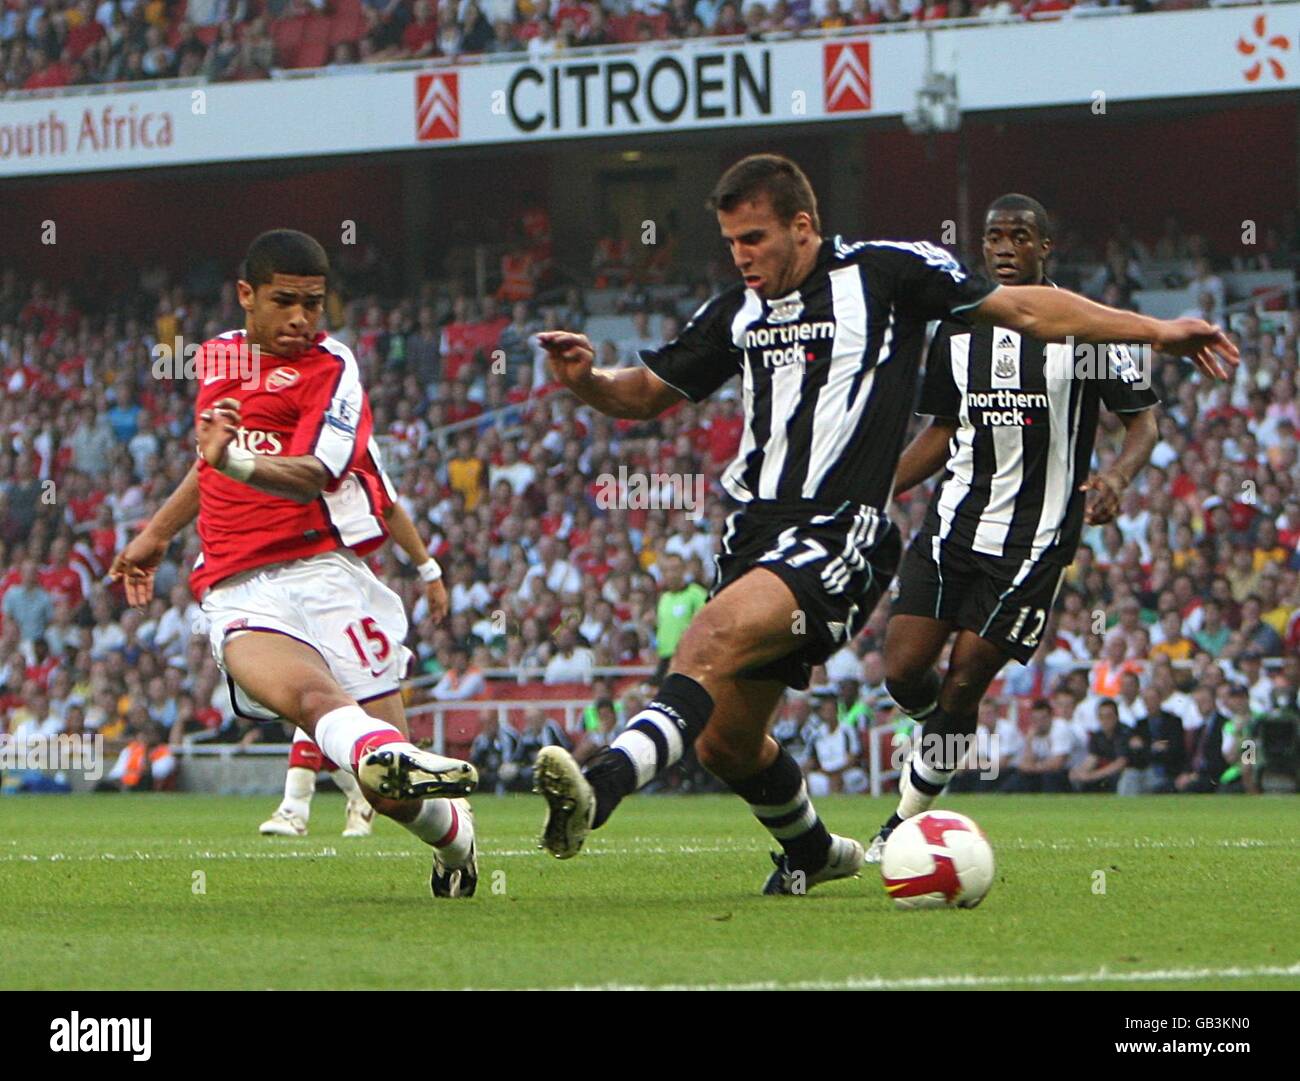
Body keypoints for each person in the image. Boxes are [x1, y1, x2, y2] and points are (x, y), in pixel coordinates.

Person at [529, 155, 1236, 895]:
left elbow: (1029, 312)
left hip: (842, 531)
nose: (742, 256)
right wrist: (588, 382)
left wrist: (1157, 331)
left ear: (803, 226)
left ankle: (601, 785)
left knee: (708, 638)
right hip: (752, 535)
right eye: (732, 241)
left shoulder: (890, 274)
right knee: (726, 742)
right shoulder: (736, 312)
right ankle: (813, 851)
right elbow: (645, 394)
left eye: (755, 238)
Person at [109, 230, 478, 898]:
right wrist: (156, 533)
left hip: (326, 574)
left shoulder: (332, 368)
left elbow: (313, 474)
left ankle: (455, 836)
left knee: (388, 793)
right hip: (237, 584)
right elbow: (209, 462)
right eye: (285, 301)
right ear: (246, 295)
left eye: (314, 303)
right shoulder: (217, 356)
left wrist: (235, 461)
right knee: (312, 701)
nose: (302, 319)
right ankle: (364, 764)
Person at [865, 194, 1162, 861]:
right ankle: (944, 737)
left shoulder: (1081, 329)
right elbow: (941, 432)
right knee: (903, 670)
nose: (1004, 247)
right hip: (951, 527)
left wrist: (1115, 478)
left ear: (1043, 247)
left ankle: (904, 819)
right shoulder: (959, 329)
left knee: (966, 677)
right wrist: (875, 489)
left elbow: (1143, 421)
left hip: (1034, 541)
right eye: (994, 236)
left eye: (1019, 236)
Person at [256, 497, 451, 839]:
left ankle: (296, 807)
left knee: (321, 706)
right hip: (307, 599)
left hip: (342, 609)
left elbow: (388, 507)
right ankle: (352, 797)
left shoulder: (336, 472)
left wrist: (429, 571)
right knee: (319, 713)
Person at [1068, 697, 1130, 793]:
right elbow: (1093, 758)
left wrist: (1093, 775)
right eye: (1101, 717)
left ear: (1116, 716)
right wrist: (1080, 771)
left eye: (1108, 716)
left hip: (1122, 773)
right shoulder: (1097, 736)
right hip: (1102, 772)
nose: (1105, 721)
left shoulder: (1124, 733)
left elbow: (1120, 763)